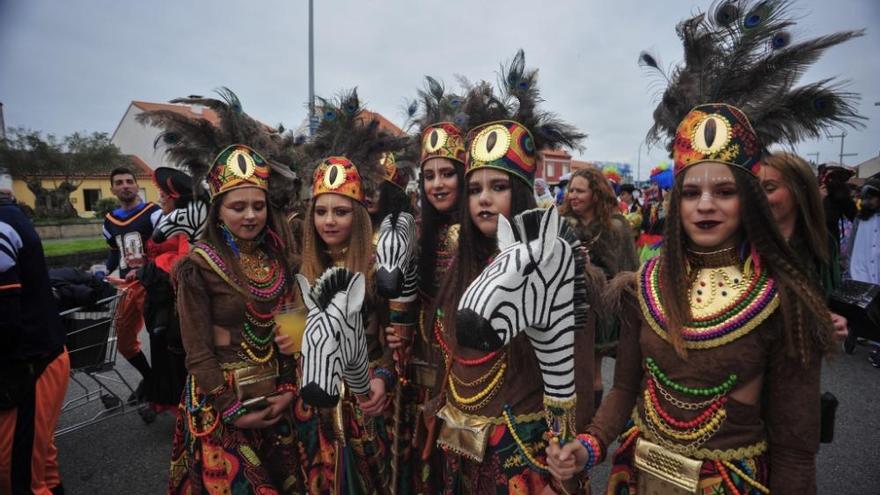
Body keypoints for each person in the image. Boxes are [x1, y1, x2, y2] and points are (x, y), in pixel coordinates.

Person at [546, 3, 863, 492]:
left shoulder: (785, 299)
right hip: (638, 479)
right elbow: (625, 389)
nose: (706, 205)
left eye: (725, 191)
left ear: (748, 199)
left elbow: (795, 448)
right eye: (692, 192)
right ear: (677, 202)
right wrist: (588, 445)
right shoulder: (645, 286)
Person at [430, 50, 589, 494]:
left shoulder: (555, 268)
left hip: (523, 455)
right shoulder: (456, 266)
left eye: (498, 187)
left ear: (520, 194)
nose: (484, 199)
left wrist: (568, 461)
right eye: (474, 189)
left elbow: (576, 374)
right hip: (456, 448)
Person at [168, 144, 327, 493]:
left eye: (258, 206)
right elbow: (197, 351)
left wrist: (289, 387)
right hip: (222, 403)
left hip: (277, 397)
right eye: (238, 207)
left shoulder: (280, 260)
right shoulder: (197, 267)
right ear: (218, 210)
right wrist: (231, 408)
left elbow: (292, 331)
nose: (251, 216)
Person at [0, 184, 70, 495]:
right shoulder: (11, 215)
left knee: (17, 478)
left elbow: (4, 320)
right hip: (37, 357)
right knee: (40, 466)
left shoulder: (3, 223)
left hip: (27, 363)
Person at [560, 167, 638, 408]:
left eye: (580, 191)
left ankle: (591, 421)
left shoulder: (616, 227)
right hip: (564, 307)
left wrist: (592, 270)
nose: (573, 196)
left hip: (599, 309)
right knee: (564, 371)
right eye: (571, 190)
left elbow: (627, 271)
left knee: (592, 371)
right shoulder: (560, 224)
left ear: (595, 194)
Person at [135, 167, 196, 419]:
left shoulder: (187, 222)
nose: (160, 198)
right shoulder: (166, 218)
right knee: (161, 349)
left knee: (175, 351)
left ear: (174, 198)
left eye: (163, 194)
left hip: (175, 299)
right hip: (160, 296)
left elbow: (184, 261)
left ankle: (184, 405)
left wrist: (154, 267)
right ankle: (164, 398)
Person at [102, 166, 161, 395]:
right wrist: (102, 271)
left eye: (129, 181)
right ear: (112, 189)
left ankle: (162, 390)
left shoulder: (154, 213)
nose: (125, 186)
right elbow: (114, 252)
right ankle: (150, 379)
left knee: (160, 338)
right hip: (127, 287)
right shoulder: (109, 220)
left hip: (153, 284)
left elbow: (168, 248)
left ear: (137, 185)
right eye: (119, 182)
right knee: (124, 341)